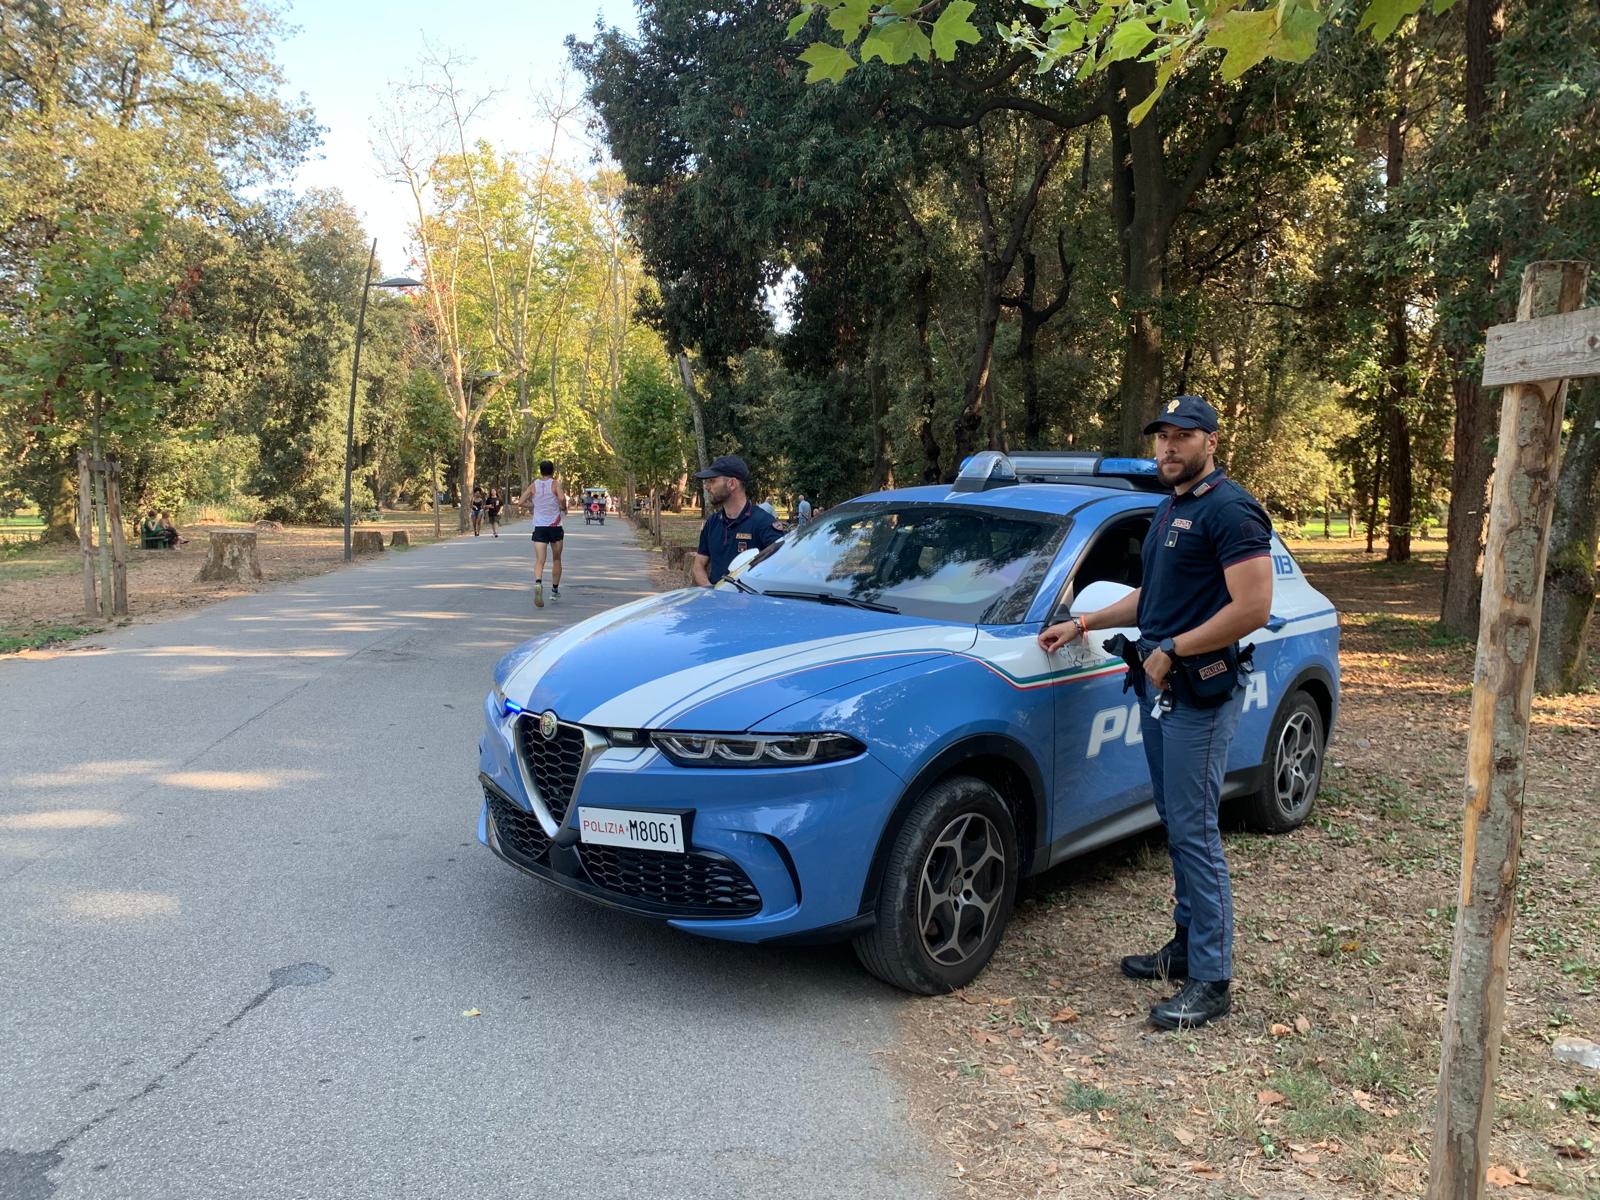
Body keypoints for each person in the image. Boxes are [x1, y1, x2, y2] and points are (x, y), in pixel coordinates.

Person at [1038, 395, 1273, 1031]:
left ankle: (1211, 978)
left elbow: (1251, 606)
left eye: (1182, 437)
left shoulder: (1231, 509)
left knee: (1196, 832)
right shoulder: (1171, 507)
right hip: (1159, 689)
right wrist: (1083, 620)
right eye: (1162, 437)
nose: (1168, 448)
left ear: (1211, 442)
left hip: (1197, 692)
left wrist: (1175, 647)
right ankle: (1183, 945)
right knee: (1176, 821)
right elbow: (1153, 597)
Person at [691, 455, 786, 587]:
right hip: (716, 603)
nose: (706, 487)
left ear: (732, 484)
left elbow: (783, 567)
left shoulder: (763, 523)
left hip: (750, 604)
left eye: (712, 481)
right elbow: (698, 565)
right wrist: (711, 590)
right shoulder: (712, 523)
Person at [517, 461, 566, 608]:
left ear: (540, 471)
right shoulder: (555, 484)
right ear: (553, 471)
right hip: (555, 526)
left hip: (539, 527)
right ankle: (554, 590)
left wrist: (533, 505)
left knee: (540, 560)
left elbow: (520, 502)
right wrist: (562, 506)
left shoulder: (534, 485)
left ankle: (538, 582)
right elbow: (562, 498)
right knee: (557, 559)